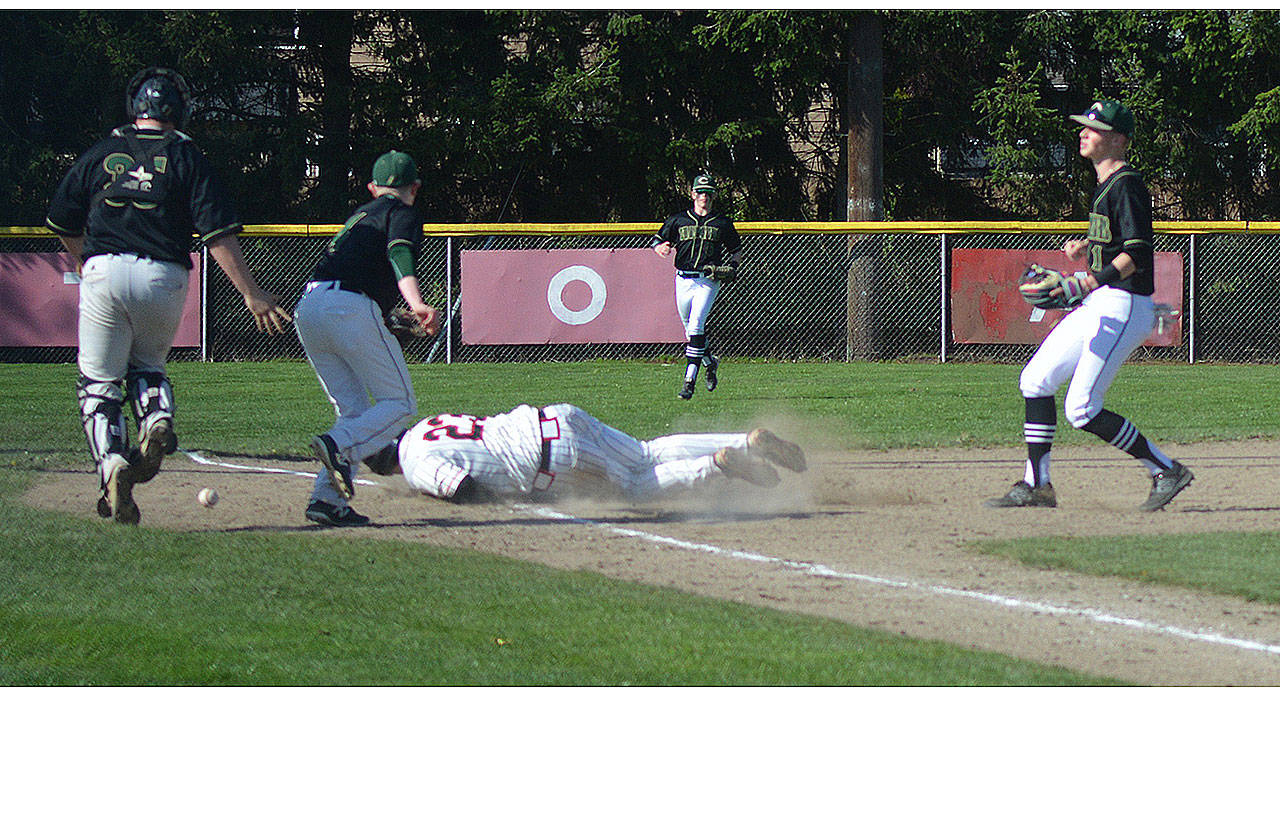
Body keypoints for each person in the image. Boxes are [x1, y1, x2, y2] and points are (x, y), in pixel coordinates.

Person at [45, 66, 293, 526]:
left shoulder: (102, 152)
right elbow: (217, 234)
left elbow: (61, 220)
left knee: (98, 383)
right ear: (179, 109)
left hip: (103, 269)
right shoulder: (187, 156)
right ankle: (156, 416)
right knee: (148, 367)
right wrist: (251, 292)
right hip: (163, 273)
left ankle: (112, 464)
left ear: (133, 107)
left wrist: (85, 262)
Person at [985, 99, 1193, 512]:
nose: (1083, 132)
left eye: (1093, 128)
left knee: (1081, 408)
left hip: (1124, 306)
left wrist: (1090, 277)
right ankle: (1037, 485)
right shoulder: (1105, 186)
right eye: (1083, 126)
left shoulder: (1128, 183)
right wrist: (1088, 248)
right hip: (1100, 303)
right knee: (1035, 380)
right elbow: (1116, 242)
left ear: (1118, 139)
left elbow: (1138, 252)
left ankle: (1164, 469)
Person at [295, 150, 440, 527]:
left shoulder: (360, 214)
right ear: (415, 188)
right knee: (400, 401)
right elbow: (399, 254)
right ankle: (338, 446)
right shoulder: (402, 211)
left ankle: (327, 501)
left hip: (310, 307)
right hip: (348, 307)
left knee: (355, 412)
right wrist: (417, 303)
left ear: (373, 187)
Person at [385, 403, 806, 504]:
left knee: (636, 487)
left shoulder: (414, 461)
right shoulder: (427, 424)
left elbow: (464, 489)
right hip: (555, 415)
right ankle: (744, 441)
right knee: (647, 452)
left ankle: (716, 465)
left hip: (549, 457)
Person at [652, 173, 742, 400]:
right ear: (692, 194)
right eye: (701, 192)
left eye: (709, 193)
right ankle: (710, 363)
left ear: (713, 196)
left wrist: (731, 266)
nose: (704, 196)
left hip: (708, 280)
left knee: (695, 327)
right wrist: (660, 247)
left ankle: (689, 381)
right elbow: (656, 239)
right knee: (690, 331)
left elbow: (736, 251)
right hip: (682, 279)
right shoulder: (679, 220)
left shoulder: (722, 222)